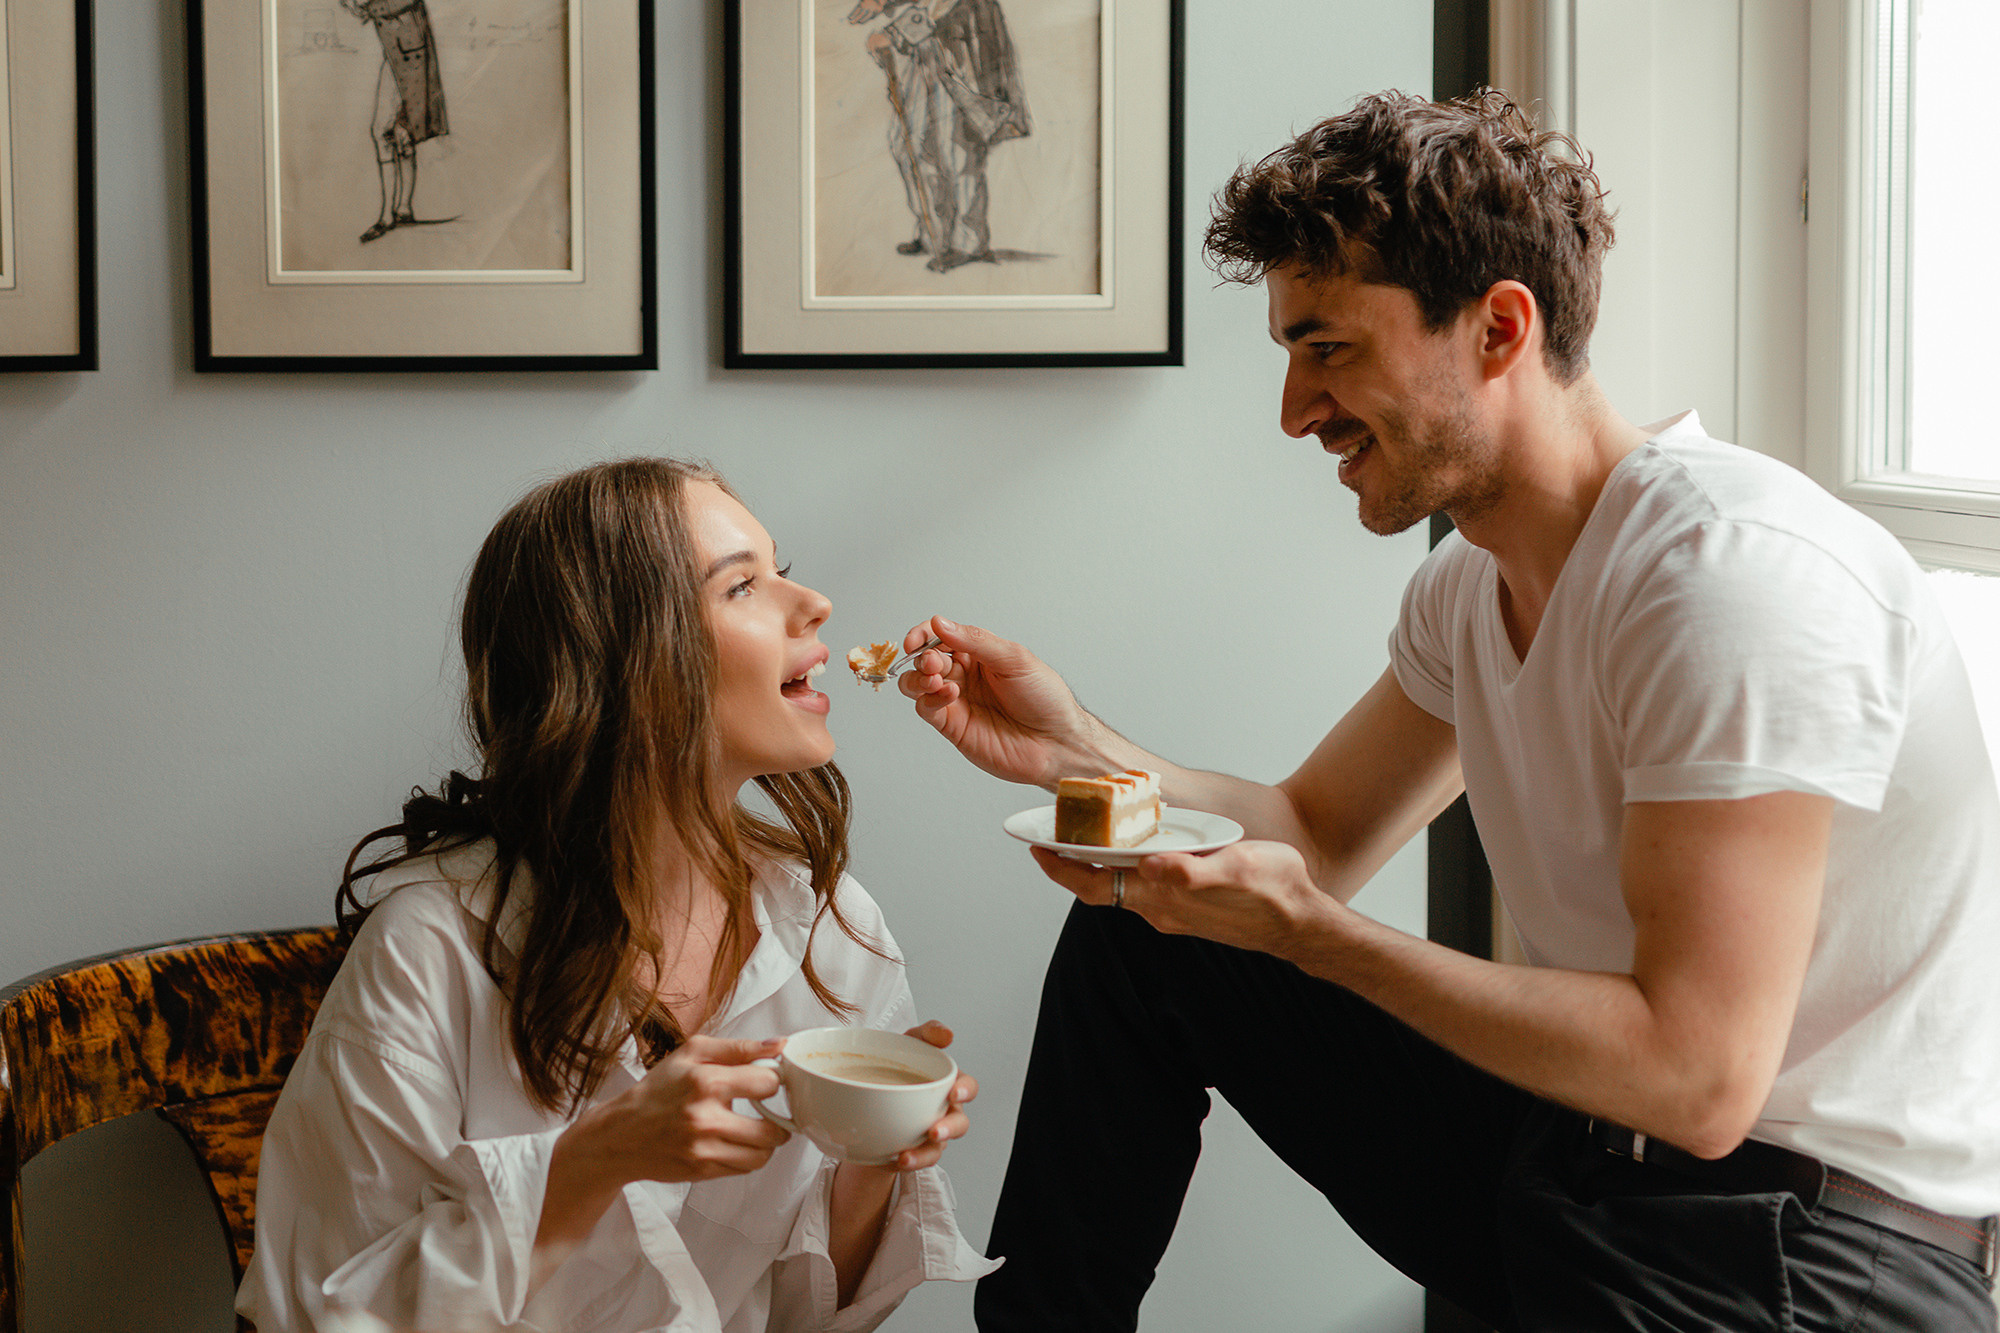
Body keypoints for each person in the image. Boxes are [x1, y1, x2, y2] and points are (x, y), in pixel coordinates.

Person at [891, 91, 2000, 1331]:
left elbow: (1696, 1079)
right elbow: (1312, 833)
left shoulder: (1727, 578)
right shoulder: (1468, 589)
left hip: (1800, 1248)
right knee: (1148, 932)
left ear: (1497, 328)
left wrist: (1313, 935)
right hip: (1582, 1162)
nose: (1293, 410)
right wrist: (1076, 751)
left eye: (1328, 350)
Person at [237, 458, 996, 1332]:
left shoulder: (832, 927)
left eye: (780, 568)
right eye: (743, 585)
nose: (815, 602)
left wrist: (872, 1153)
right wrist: (594, 1160)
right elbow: (313, 1316)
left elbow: (806, 1319)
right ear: (620, 662)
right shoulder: (430, 950)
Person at [846, 0, 1030, 272]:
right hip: (928, 46)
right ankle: (934, 234)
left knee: (959, 150)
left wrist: (895, 32)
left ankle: (968, 243)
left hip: (963, 47)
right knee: (912, 145)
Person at [342, 0, 450, 244]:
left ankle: (387, 217)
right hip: (403, 50)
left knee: (384, 130)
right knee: (400, 131)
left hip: (410, 54)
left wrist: (366, 6)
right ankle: (402, 209)